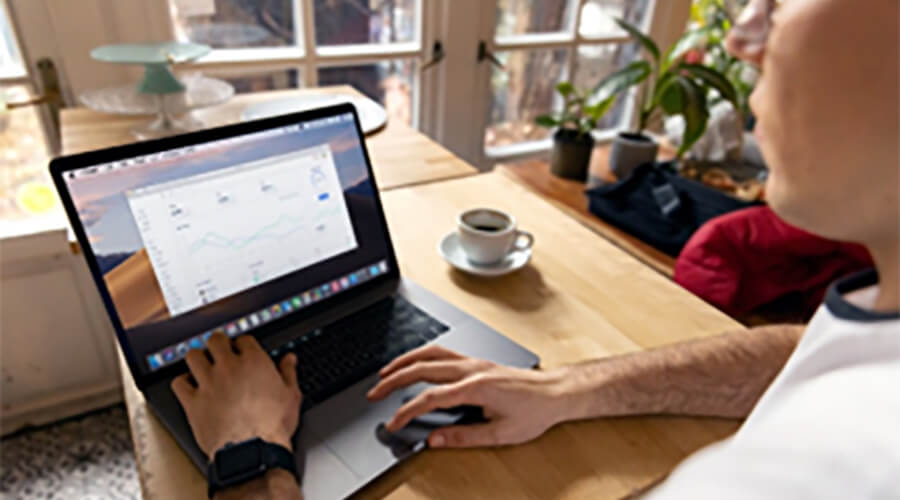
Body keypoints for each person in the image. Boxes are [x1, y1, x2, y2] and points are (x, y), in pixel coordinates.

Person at [170, 0, 899, 497]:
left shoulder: (843, 467)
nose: (743, 37)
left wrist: (251, 458)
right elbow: (806, 354)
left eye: (781, 1)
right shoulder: (879, 319)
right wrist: (568, 389)